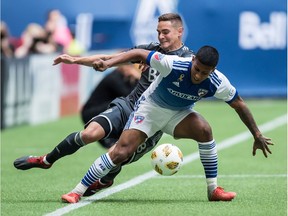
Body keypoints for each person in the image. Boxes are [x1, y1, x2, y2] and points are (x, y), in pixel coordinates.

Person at [60, 45, 273, 203]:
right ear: (193, 60)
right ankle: (76, 191)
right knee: (120, 153)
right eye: (197, 69)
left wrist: (256, 134)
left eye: (204, 73)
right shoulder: (173, 64)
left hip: (179, 113)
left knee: (205, 130)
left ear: (213, 70)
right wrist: (108, 64)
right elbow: (139, 54)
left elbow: (240, 104)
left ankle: (213, 190)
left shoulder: (218, 82)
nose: (198, 75)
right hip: (150, 109)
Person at [13, 13, 193, 196]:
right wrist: (75, 60)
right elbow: (109, 58)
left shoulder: (189, 60)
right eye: (158, 32)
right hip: (128, 106)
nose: (161, 36)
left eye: (165, 32)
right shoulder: (149, 51)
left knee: (116, 154)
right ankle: (46, 160)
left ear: (180, 32)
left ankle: (105, 180)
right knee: (89, 134)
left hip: (152, 122)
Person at [81, 64, 141, 148]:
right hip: (91, 113)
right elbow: (130, 96)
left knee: (118, 145)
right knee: (121, 104)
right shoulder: (114, 77)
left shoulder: (126, 78)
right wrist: (138, 78)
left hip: (102, 110)